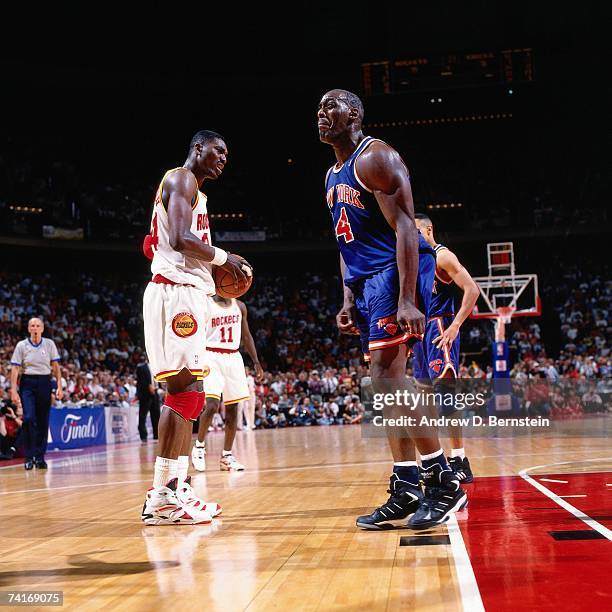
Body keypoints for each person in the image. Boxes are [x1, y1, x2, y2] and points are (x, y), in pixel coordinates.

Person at [318, 89, 466, 530]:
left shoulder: (375, 156)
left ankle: (444, 482)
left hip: (392, 274)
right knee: (382, 386)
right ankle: (406, 486)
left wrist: (406, 297)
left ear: (355, 115)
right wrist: (347, 296)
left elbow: (406, 226)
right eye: (319, 109)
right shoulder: (332, 173)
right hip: (365, 282)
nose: (323, 114)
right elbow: (347, 243)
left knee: (389, 379)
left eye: (332, 107)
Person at [140, 130, 251, 525]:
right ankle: (164, 495)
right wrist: (224, 258)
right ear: (197, 149)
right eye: (218, 150)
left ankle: (176, 486)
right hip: (176, 295)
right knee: (184, 391)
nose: (224, 158)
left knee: (193, 393)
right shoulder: (182, 178)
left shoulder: (195, 191)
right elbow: (183, 239)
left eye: (227, 153)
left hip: (186, 294)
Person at [414, 213, 480, 483]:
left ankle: (460, 459)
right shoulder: (414, 261)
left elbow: (472, 290)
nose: (414, 237)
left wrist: (455, 326)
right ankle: (437, 462)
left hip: (440, 328)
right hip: (420, 333)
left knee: (446, 396)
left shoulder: (443, 256)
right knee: (426, 401)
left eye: (417, 231)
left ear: (429, 230)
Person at [191, 295, 263, 471]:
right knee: (212, 404)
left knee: (233, 409)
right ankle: (199, 447)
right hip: (210, 355)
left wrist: (256, 361)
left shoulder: (240, 306)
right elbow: (196, 334)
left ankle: (227, 456)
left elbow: (246, 335)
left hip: (233, 356)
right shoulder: (206, 303)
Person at [9, 317, 63, 470]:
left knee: (43, 420)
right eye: (32, 325)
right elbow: (15, 369)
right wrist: (13, 390)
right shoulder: (21, 345)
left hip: (45, 382)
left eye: (37, 325)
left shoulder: (49, 344)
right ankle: (29, 456)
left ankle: (40, 457)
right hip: (27, 383)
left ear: (42, 328)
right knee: (28, 418)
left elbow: (56, 366)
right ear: (28, 329)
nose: (34, 328)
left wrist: (59, 386)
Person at [136, 354, 160, 442]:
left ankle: (156, 435)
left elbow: (158, 380)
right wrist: (148, 386)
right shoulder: (141, 367)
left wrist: (157, 388)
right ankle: (143, 436)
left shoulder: (157, 368)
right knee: (143, 415)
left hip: (155, 393)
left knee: (156, 415)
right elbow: (140, 382)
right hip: (145, 394)